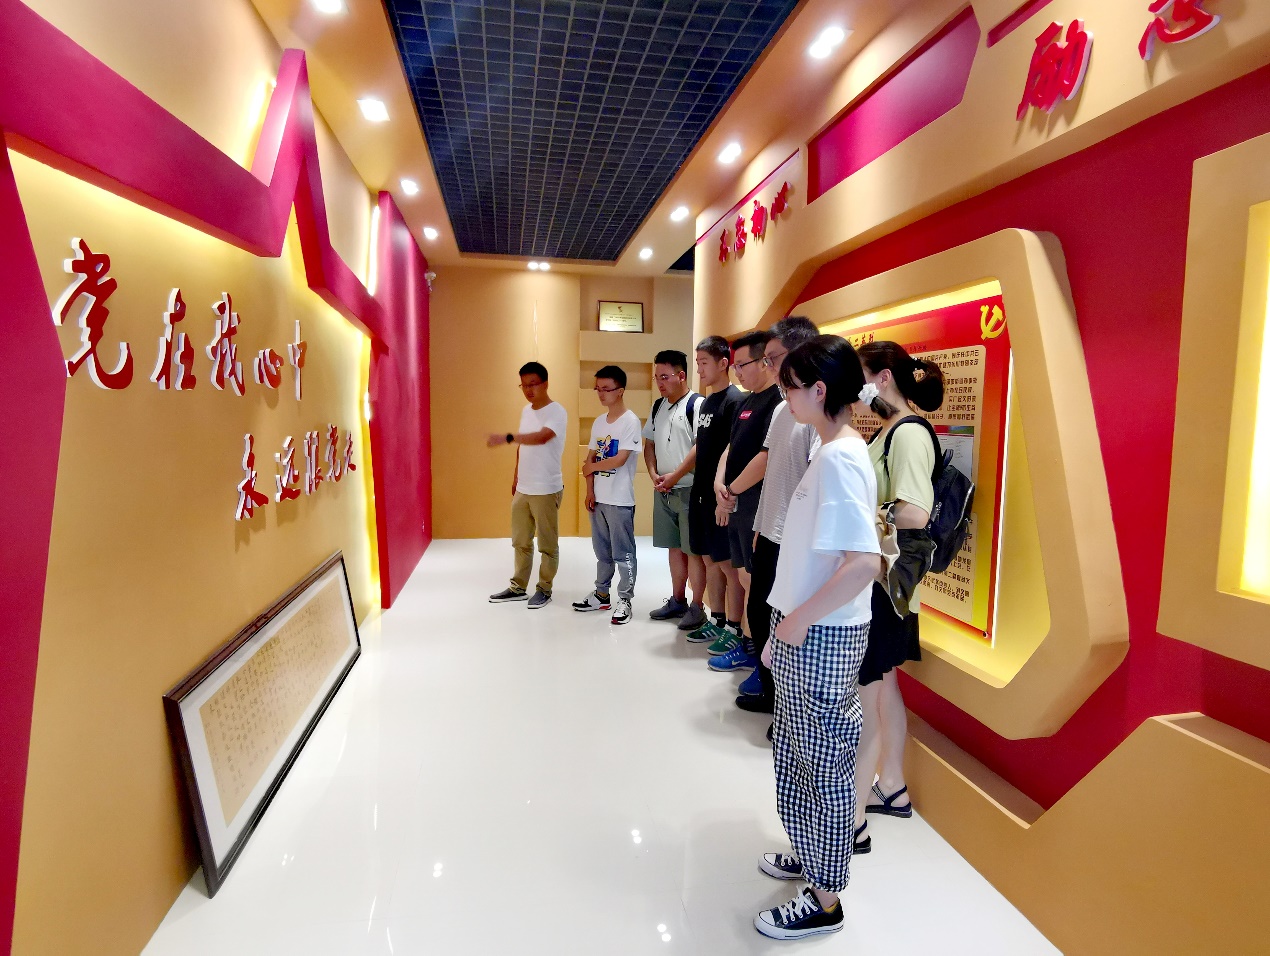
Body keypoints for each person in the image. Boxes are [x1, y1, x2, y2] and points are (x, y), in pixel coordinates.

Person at [754, 335, 882, 941]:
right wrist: (784, 629)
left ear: (820, 389)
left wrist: (800, 620)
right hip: (806, 631)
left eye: (790, 386)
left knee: (824, 765)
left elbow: (863, 563)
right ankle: (810, 858)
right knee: (799, 755)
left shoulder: (839, 458)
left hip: (823, 635)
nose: (786, 396)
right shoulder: (831, 450)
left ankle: (825, 900)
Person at [851, 341, 945, 845]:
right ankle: (892, 786)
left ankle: (861, 806)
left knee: (871, 689)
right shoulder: (889, 429)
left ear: (882, 378)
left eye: (860, 376)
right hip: (881, 578)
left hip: (886, 583)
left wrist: (859, 516)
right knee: (882, 686)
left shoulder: (907, 433)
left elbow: (915, 513)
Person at [735, 317, 820, 716]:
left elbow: (813, 480)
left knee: (786, 624)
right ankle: (772, 696)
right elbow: (770, 465)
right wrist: (759, 524)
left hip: (795, 539)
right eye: (766, 359)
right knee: (760, 612)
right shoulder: (785, 409)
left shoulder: (817, 413)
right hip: (770, 531)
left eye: (773, 358)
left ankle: (787, 709)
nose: (769, 366)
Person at [655, 336, 744, 643]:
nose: (699, 369)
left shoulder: (735, 401)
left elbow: (734, 452)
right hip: (700, 493)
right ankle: (716, 619)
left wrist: (725, 493)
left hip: (720, 497)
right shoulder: (708, 402)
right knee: (708, 559)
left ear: (723, 363)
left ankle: (734, 627)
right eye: (697, 363)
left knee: (728, 565)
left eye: (704, 363)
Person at [707, 330, 782, 672]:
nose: (737, 372)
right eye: (735, 366)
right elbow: (731, 447)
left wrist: (731, 492)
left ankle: (757, 653)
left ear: (764, 362)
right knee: (742, 575)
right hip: (736, 502)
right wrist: (720, 484)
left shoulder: (777, 403)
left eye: (742, 365)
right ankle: (748, 645)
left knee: (755, 580)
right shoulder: (747, 402)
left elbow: (765, 458)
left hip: (755, 505)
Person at [487, 361, 568, 610]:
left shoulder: (557, 412)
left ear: (545, 383)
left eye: (533, 384)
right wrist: (516, 476)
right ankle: (518, 587)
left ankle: (544, 589)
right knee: (520, 541)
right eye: (523, 385)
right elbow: (523, 447)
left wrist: (507, 437)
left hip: (546, 488)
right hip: (524, 487)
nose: (528, 390)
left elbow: (542, 437)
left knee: (547, 545)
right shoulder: (526, 411)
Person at [573, 365, 642, 625]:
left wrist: (591, 467)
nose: (601, 394)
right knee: (602, 551)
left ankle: (625, 599)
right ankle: (601, 594)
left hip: (620, 499)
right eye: (597, 389)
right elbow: (589, 459)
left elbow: (620, 459)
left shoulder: (630, 422)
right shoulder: (599, 422)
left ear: (620, 391)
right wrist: (590, 490)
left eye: (606, 389)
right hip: (599, 499)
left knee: (623, 553)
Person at [643, 350, 706, 621]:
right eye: (657, 377)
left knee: (693, 551)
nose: (660, 382)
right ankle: (677, 600)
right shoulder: (658, 406)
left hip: (690, 489)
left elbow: (700, 447)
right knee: (674, 548)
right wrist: (653, 474)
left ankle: (698, 607)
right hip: (664, 489)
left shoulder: (697, 404)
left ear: (681, 375)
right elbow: (649, 443)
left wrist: (675, 476)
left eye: (665, 377)